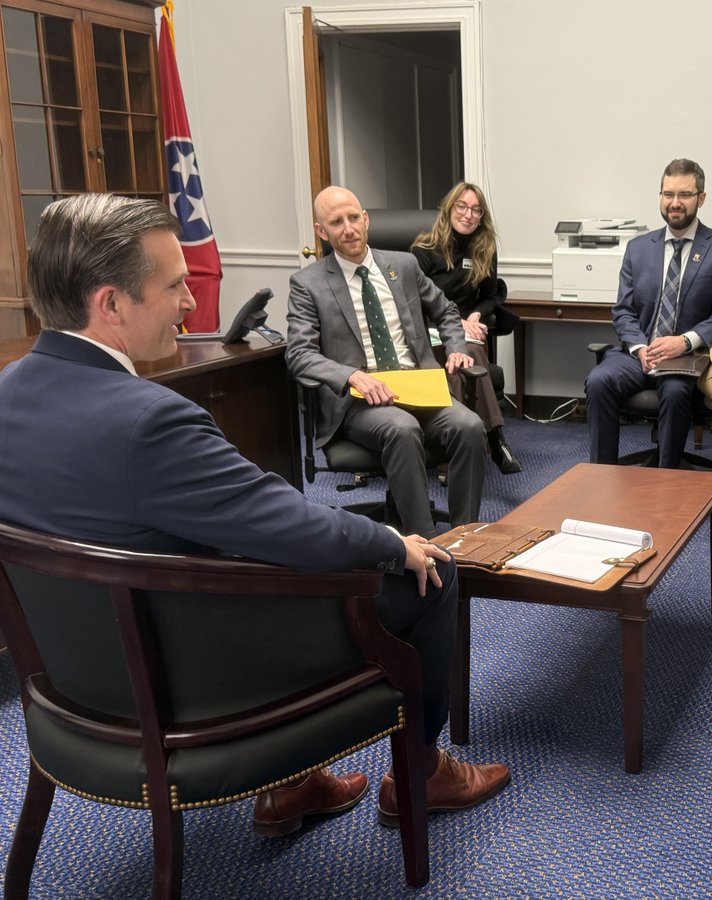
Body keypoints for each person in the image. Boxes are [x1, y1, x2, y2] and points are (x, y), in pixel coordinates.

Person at [0, 194, 509, 839]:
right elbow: (289, 525)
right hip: (197, 683)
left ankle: (291, 785)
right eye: (176, 286)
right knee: (430, 574)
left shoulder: (8, 393)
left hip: (71, 682)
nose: (191, 303)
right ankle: (424, 770)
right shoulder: (149, 419)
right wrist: (393, 542)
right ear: (111, 304)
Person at [287, 185, 486, 536]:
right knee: (401, 428)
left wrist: (456, 347)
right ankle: (423, 546)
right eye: (336, 222)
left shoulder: (404, 265)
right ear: (322, 231)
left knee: (469, 426)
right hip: (361, 402)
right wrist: (351, 376)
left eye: (353, 218)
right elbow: (299, 354)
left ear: (366, 220)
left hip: (419, 387)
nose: (348, 228)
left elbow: (447, 310)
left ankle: (464, 537)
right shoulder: (308, 283)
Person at [584, 158, 712, 468]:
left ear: (701, 198)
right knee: (599, 379)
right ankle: (600, 474)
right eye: (667, 194)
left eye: (684, 195)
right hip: (638, 355)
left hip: (690, 357)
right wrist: (640, 346)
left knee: (674, 391)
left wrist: (684, 342)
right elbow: (624, 310)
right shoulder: (638, 248)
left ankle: (667, 481)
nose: (675, 203)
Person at [411, 182, 522, 475]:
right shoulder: (423, 250)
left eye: (476, 209)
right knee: (468, 353)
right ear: (449, 209)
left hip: (466, 331)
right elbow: (414, 303)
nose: (468, 215)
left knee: (467, 352)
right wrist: (454, 322)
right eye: (462, 206)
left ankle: (465, 447)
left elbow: (491, 295)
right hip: (430, 331)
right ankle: (496, 440)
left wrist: (474, 316)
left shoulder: (484, 248)